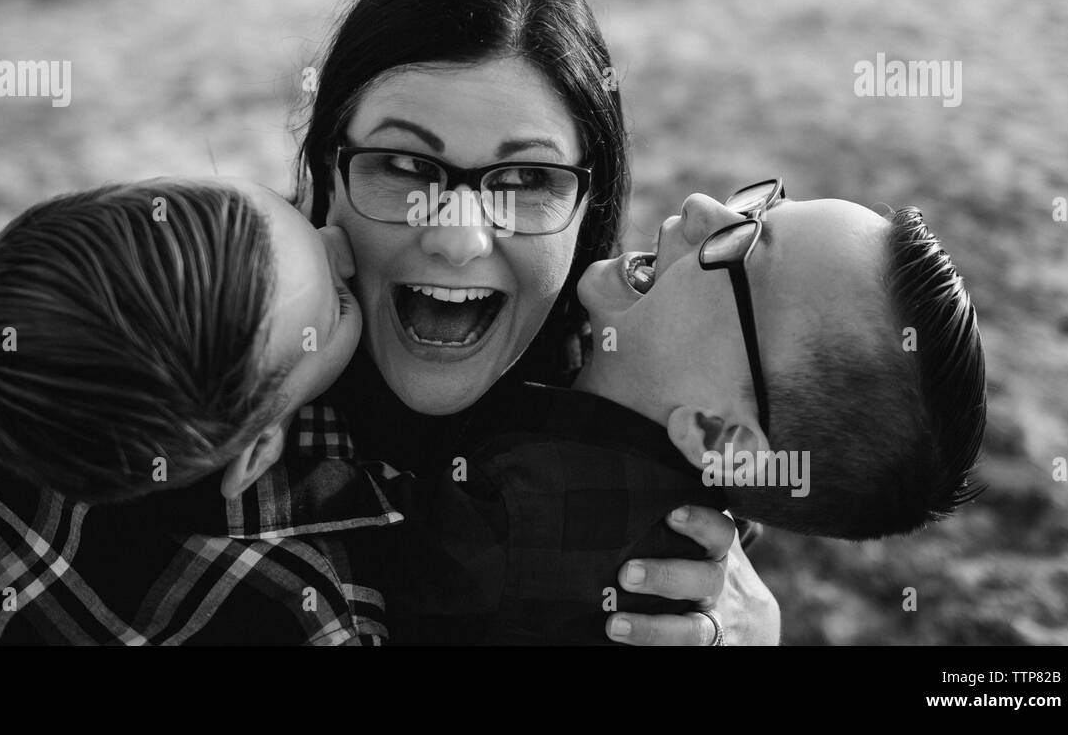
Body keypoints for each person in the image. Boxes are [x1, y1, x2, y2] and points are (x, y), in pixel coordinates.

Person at [0, 0, 779, 645]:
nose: (457, 240)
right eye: (402, 164)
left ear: (590, 206)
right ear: (328, 170)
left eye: (526, 179)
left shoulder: (637, 429)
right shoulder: (174, 336)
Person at [373, 182, 988, 643]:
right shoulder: (693, 519)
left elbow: (328, 534)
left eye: (743, 245)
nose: (700, 207)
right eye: (758, 206)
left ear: (718, 436)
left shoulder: (520, 516)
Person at [0, 179, 408, 644]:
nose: (339, 241)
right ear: (258, 450)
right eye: (339, 305)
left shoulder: (13, 428)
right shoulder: (309, 601)